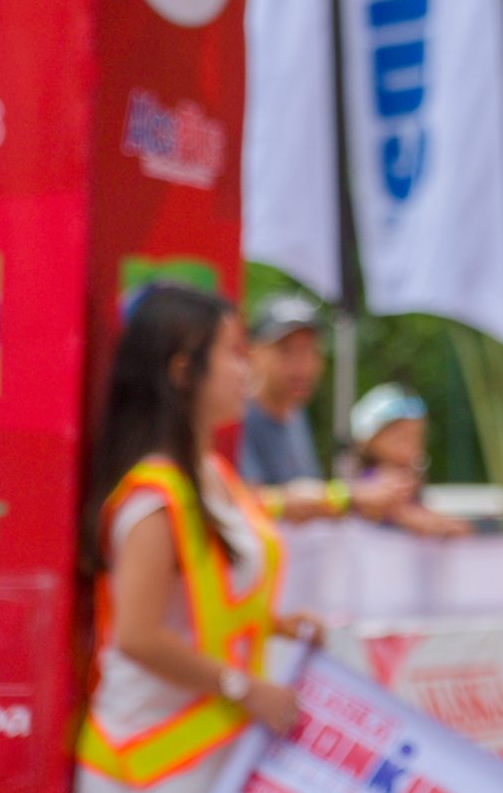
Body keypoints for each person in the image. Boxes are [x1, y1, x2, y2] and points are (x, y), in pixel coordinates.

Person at [76, 285, 319, 791]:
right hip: (147, 761)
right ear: (183, 372)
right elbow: (139, 636)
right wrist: (241, 686)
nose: (246, 366)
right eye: (232, 352)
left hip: (210, 754)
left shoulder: (213, 474)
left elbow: (195, 607)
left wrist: (274, 625)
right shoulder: (153, 499)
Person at [237, 295, 407, 523]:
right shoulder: (236, 418)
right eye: (286, 351)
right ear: (252, 352)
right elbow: (246, 501)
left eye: (310, 351)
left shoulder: (295, 414)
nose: (302, 366)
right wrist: (352, 496)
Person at [349, 384, 469, 537]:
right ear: (370, 442)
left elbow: (417, 511)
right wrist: (432, 525)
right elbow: (396, 513)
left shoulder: (411, 480)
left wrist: (447, 524)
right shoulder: (372, 482)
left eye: (417, 438)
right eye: (400, 438)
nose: (410, 447)